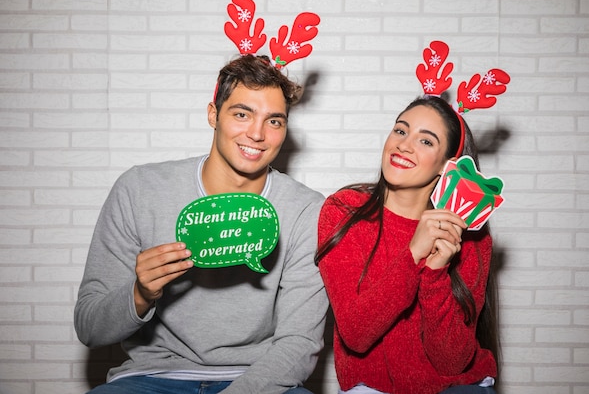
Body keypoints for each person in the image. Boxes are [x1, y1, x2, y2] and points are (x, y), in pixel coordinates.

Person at [74, 54, 329, 394]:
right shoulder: (140, 189)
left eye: (274, 121)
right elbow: (90, 327)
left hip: (259, 380)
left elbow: (299, 343)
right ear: (214, 115)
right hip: (150, 378)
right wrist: (139, 293)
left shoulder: (306, 210)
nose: (256, 133)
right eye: (242, 114)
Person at [315, 95, 500, 394]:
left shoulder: (470, 235)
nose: (404, 144)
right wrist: (414, 252)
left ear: (448, 165)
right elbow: (356, 334)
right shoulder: (345, 211)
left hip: (458, 387)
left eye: (426, 141)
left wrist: (436, 272)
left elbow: (452, 362)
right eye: (401, 131)